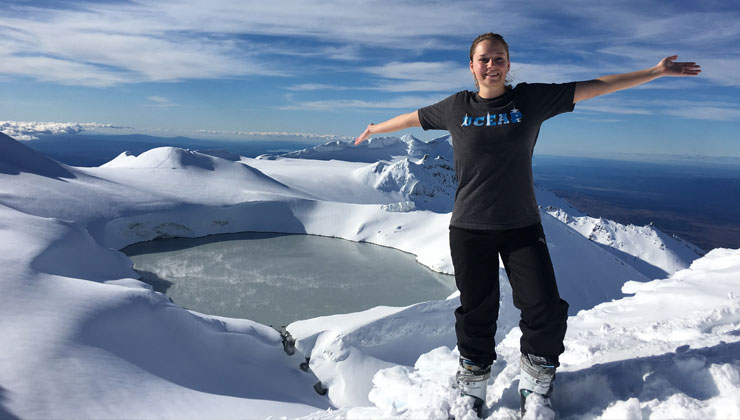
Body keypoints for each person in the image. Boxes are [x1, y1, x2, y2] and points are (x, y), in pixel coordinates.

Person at [354, 32, 700, 416]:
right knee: (476, 310)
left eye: (499, 58)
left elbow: (596, 87)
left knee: (545, 308)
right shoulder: (455, 107)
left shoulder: (530, 100)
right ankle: (472, 381)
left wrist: (654, 72)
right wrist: (374, 127)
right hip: (469, 228)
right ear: (472, 66)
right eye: (484, 59)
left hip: (521, 225)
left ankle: (536, 383)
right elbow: (411, 118)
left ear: (508, 63)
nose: (492, 65)